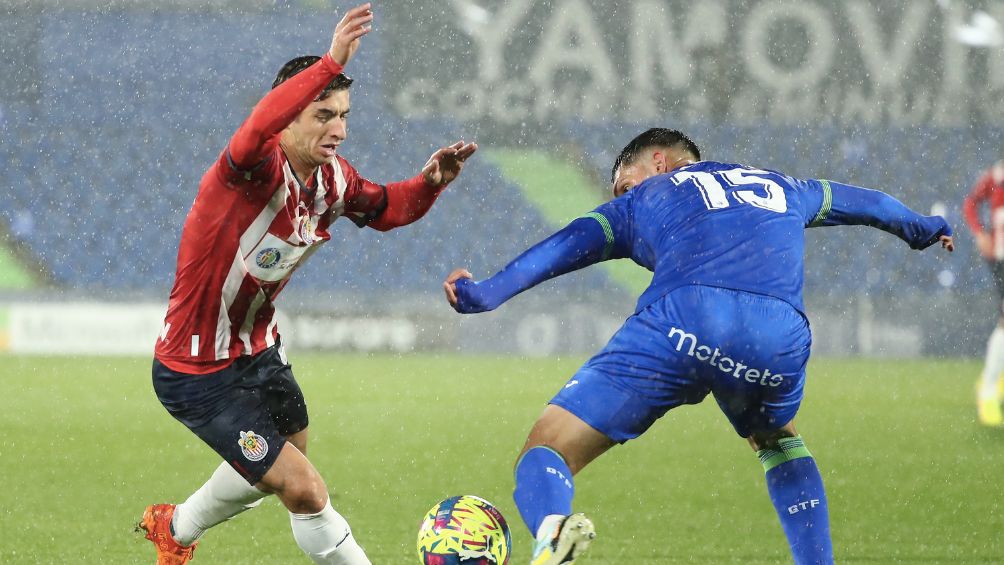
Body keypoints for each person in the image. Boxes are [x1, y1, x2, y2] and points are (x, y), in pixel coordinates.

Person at [443, 128, 953, 565]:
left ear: (657, 162)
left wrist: (487, 292)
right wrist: (924, 228)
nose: (620, 196)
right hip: (777, 336)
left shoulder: (646, 197)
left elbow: (567, 244)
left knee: (548, 447)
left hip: (683, 320)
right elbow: (868, 203)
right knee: (777, 440)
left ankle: (553, 528)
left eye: (622, 184)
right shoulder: (783, 185)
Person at [139, 4, 478, 564]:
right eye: (323, 114)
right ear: (288, 117)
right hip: (196, 371)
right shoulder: (246, 171)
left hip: (259, 350)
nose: (338, 129)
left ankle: (175, 528)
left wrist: (430, 182)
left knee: (283, 459)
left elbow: (389, 208)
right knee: (304, 489)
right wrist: (329, 61)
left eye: (343, 114)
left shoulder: (331, 179)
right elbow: (253, 127)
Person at [963, 160, 1004, 426]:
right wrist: (980, 235)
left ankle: (991, 383)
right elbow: (970, 204)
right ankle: (989, 389)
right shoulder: (998, 175)